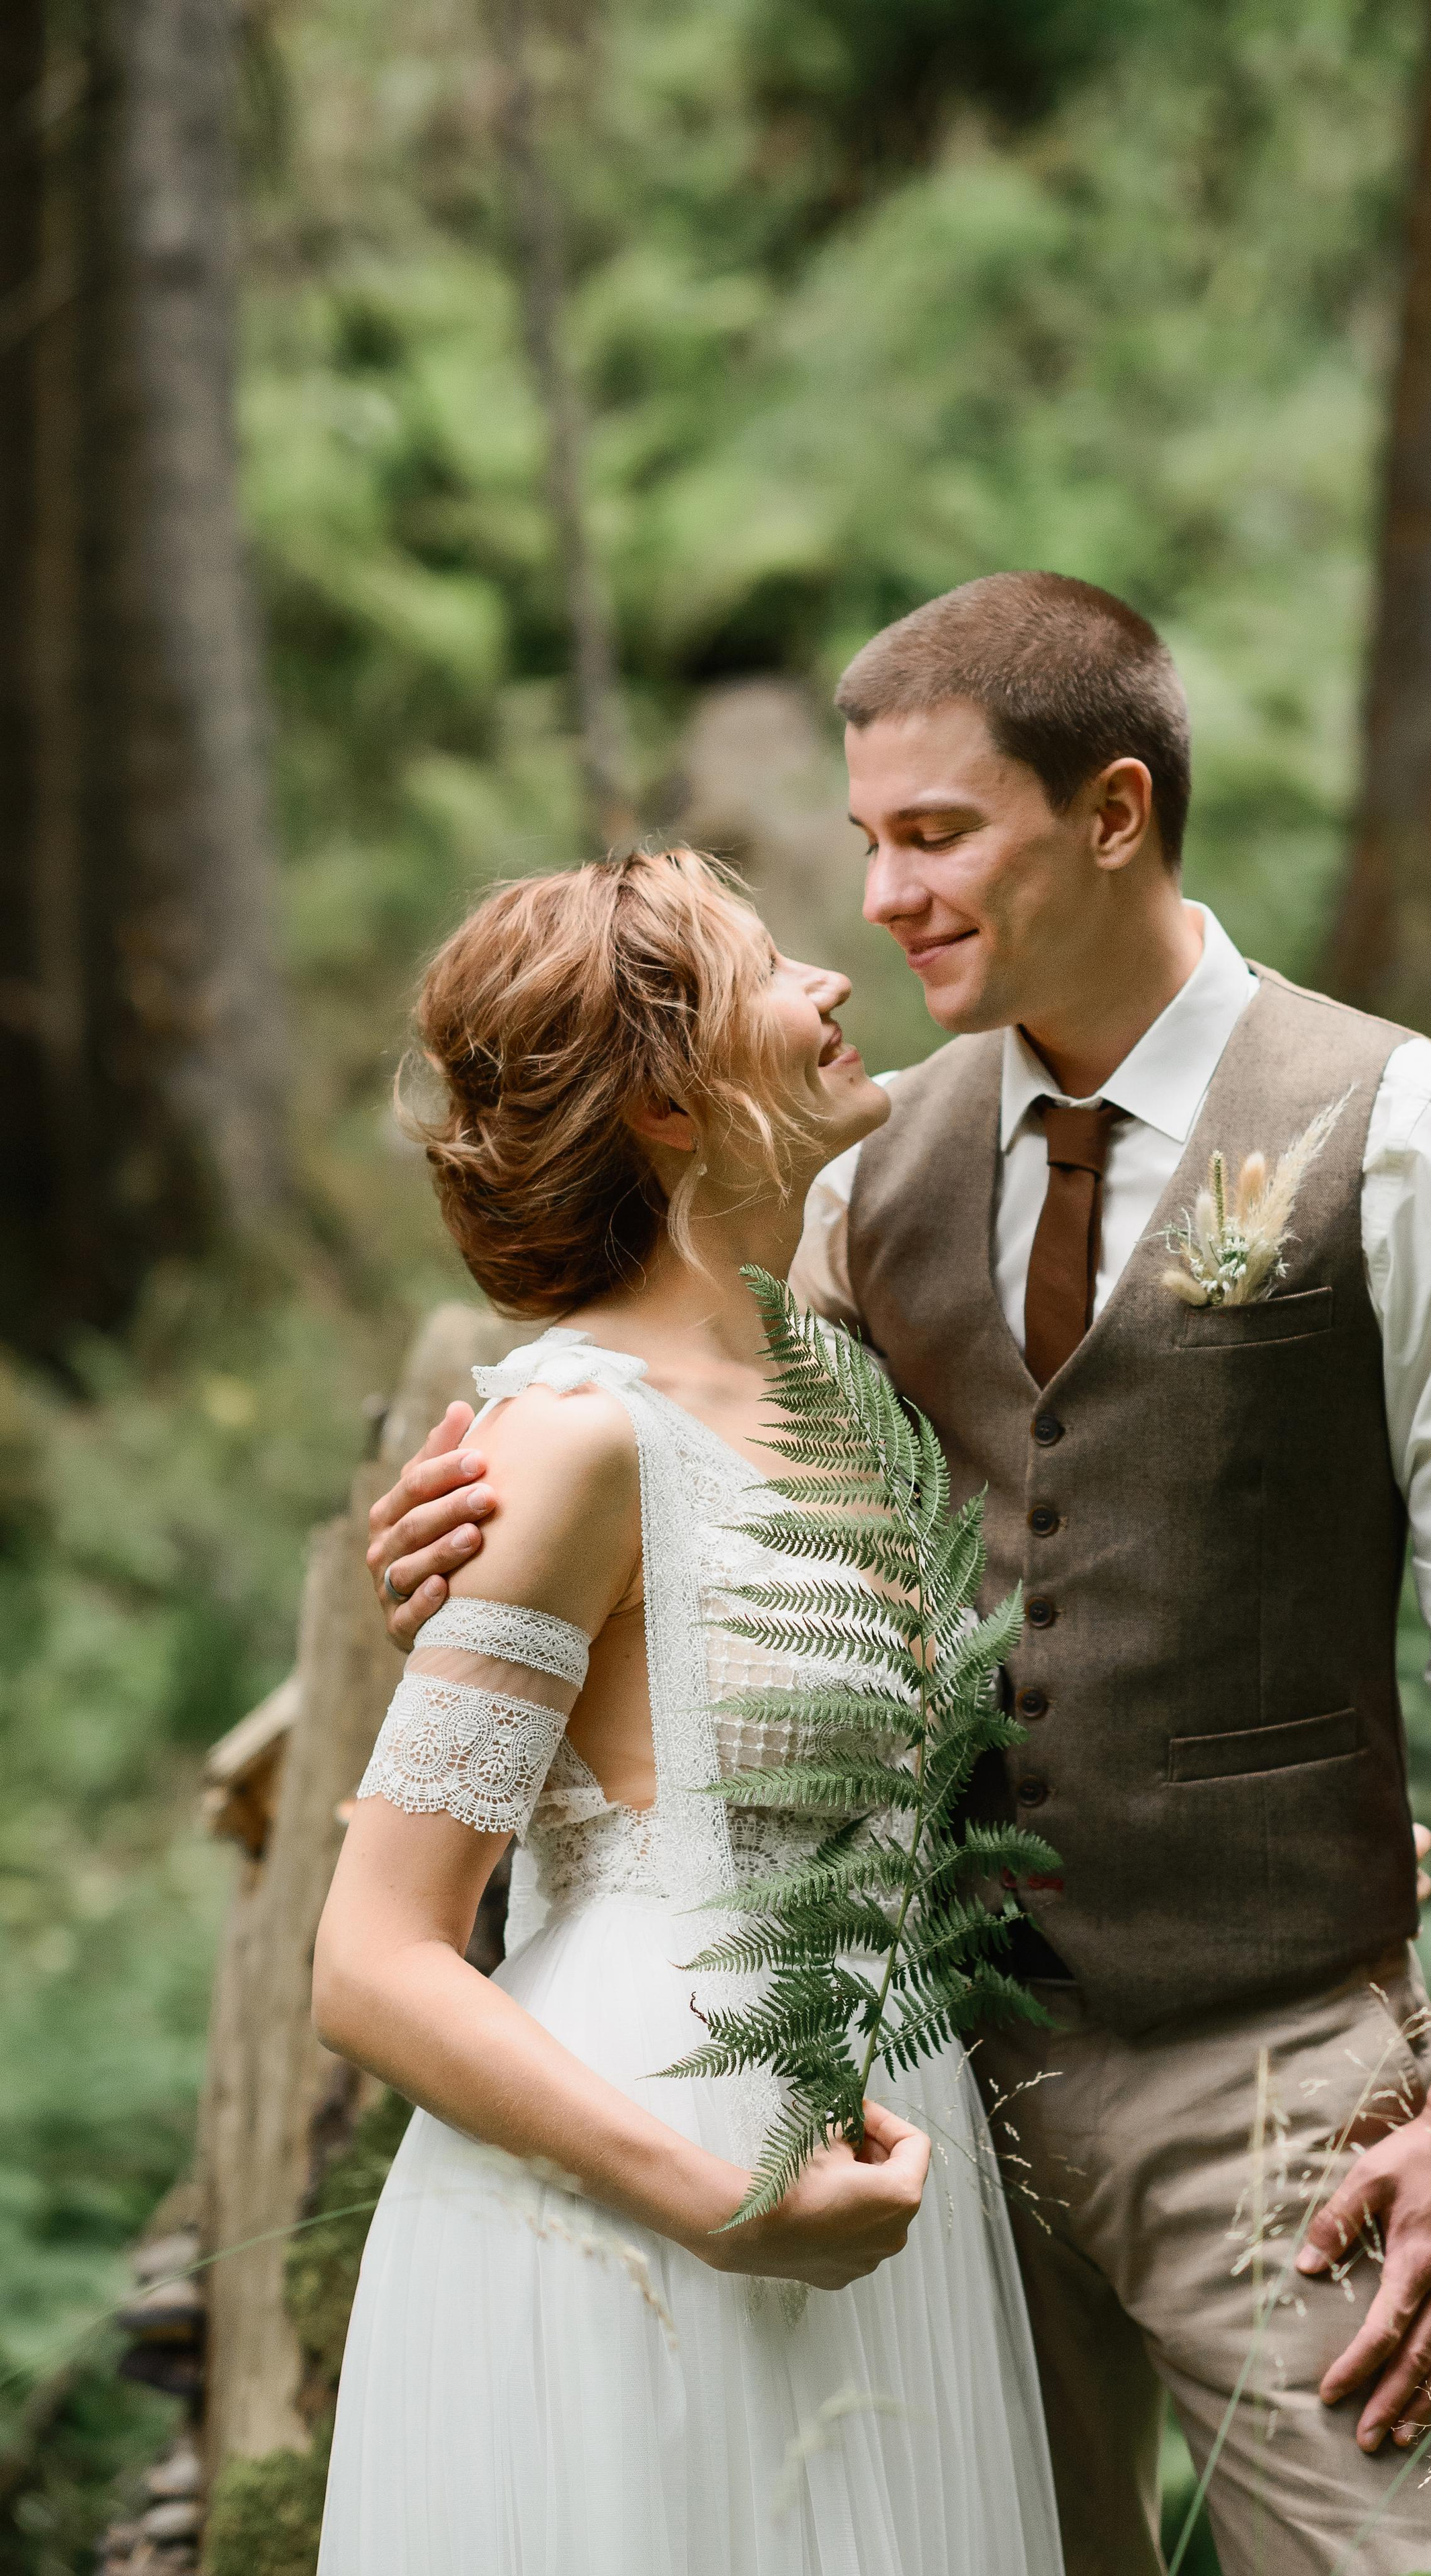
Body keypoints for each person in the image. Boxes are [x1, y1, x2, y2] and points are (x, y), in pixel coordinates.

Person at [370, 572, 1431, 2575]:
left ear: (1111, 812)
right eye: (865, 843)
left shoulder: (1415, 1125)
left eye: (935, 834)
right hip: (935, 2075)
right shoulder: (867, 1175)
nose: (885, 898)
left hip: (1275, 2071)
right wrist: (454, 1530)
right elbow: (708, 1499)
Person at [313, 851, 1064, 2575]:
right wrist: (720, 2204)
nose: (831, 982)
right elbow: (371, 1958)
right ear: (663, 1099)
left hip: (882, 2132)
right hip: (651, 2180)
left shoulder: (848, 1380)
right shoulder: (570, 1439)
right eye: (770, 970)